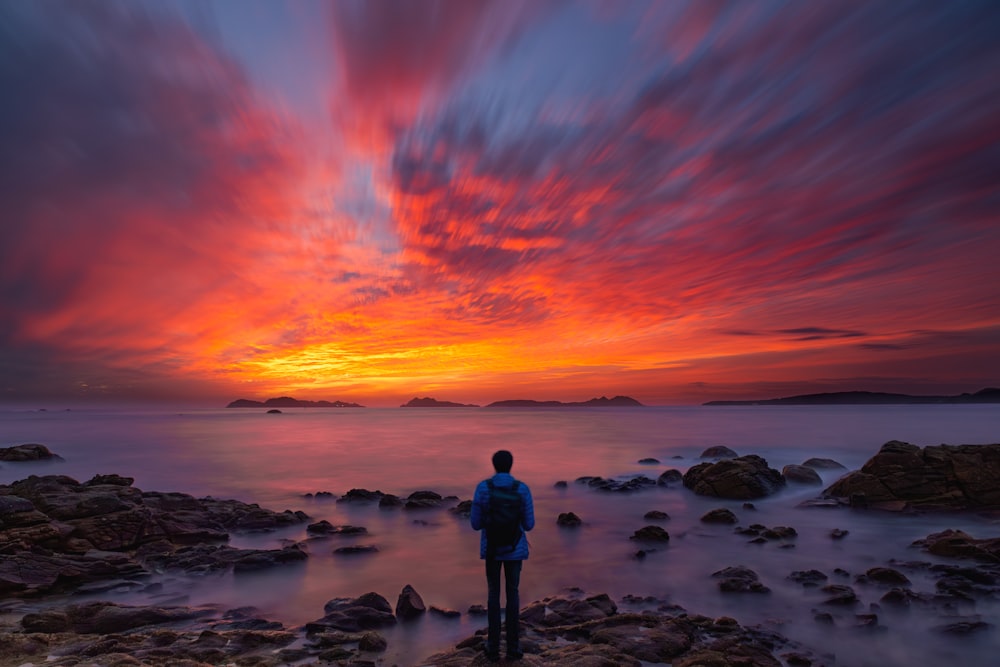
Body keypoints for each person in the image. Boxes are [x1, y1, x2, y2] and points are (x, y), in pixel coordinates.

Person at [470, 449, 535, 662]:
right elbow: (529, 524)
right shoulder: (522, 489)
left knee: (493, 595)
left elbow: (475, 524)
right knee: (513, 594)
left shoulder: (483, 488)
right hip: (515, 550)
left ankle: (493, 647)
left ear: (494, 465)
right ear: (511, 465)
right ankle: (514, 648)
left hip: (492, 550)